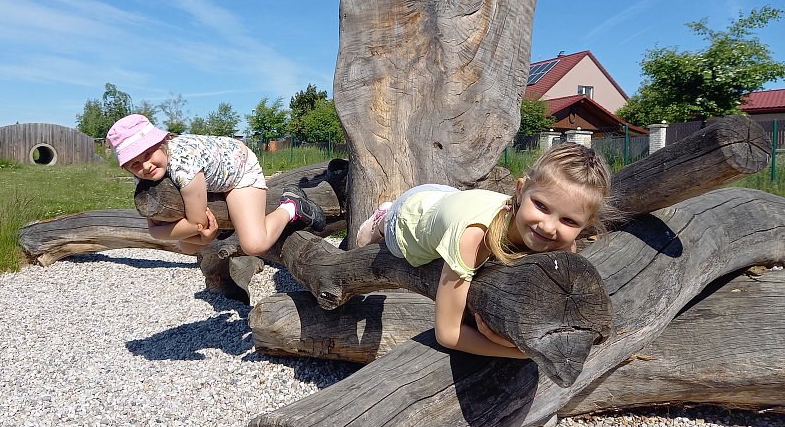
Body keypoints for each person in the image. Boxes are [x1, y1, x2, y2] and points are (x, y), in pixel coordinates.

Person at [356, 142, 613, 358]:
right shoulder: (473, 237)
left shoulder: (565, 247)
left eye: (569, 221)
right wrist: (524, 353)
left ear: (586, 225)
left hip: (455, 200)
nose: (548, 226)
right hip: (410, 216)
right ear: (520, 190)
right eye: (541, 206)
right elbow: (448, 333)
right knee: (388, 238)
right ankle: (381, 219)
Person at [107, 114, 326, 256]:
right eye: (135, 164)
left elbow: (196, 223)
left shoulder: (183, 165)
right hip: (212, 179)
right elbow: (163, 224)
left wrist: (161, 233)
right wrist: (198, 232)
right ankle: (221, 229)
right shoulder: (144, 176)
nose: (145, 166)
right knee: (188, 246)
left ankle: (292, 206)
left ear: (161, 142)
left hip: (239, 169)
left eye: (148, 154)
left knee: (254, 244)